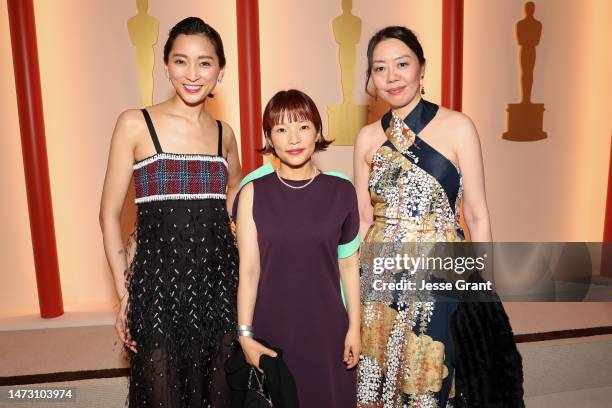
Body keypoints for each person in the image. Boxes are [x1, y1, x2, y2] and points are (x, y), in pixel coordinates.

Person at [353, 26, 524, 407]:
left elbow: (477, 214)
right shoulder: (367, 138)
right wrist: (345, 281)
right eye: (380, 68)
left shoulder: (458, 126)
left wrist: (484, 288)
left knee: (431, 379)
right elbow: (364, 219)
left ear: (422, 68)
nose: (391, 77)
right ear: (371, 78)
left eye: (402, 64)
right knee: (379, 382)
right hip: (379, 278)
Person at [99, 17, 241, 407]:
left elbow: (238, 200)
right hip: (157, 291)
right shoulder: (134, 124)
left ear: (221, 70)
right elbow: (108, 215)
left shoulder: (224, 134)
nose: (192, 74)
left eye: (204, 63)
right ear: (166, 66)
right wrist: (124, 294)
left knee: (221, 395)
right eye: (181, 61)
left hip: (220, 289)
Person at [233, 89, 361, 407]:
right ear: (269, 138)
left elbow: (348, 265)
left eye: (303, 126)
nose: (293, 138)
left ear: (317, 131)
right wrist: (244, 334)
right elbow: (248, 269)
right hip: (271, 329)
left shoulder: (342, 190)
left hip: (327, 330)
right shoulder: (252, 192)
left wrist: (355, 329)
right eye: (281, 129)